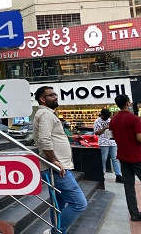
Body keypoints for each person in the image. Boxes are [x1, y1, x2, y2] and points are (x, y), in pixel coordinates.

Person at [33, 86, 87, 234]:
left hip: (56, 167)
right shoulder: (45, 114)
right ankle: (56, 231)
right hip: (56, 169)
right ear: (42, 99)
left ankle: (56, 231)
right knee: (79, 203)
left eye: (56, 94)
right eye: (52, 95)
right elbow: (44, 140)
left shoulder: (48, 114)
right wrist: (54, 161)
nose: (56, 97)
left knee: (58, 204)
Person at [110, 94, 141, 221]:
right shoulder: (135, 119)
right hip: (137, 156)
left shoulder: (114, 120)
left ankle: (134, 214)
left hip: (123, 156)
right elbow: (139, 137)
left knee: (129, 187)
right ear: (128, 103)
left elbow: (112, 135)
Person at [93, 108, 123, 183]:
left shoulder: (110, 120)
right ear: (102, 115)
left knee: (115, 158)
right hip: (103, 142)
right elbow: (96, 133)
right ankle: (102, 174)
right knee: (104, 158)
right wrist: (105, 128)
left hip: (112, 141)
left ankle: (118, 175)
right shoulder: (97, 121)